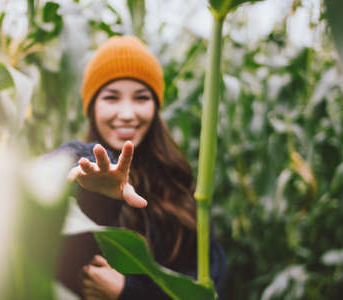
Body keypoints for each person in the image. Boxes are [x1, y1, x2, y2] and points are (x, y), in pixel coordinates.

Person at [54, 36, 226, 300]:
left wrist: (128, 293)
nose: (127, 113)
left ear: (155, 107)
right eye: (112, 98)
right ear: (92, 107)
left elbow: (210, 284)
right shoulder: (77, 171)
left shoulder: (180, 187)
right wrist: (98, 193)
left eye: (141, 98)